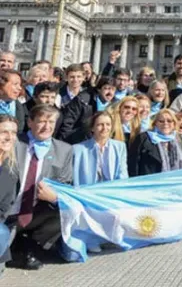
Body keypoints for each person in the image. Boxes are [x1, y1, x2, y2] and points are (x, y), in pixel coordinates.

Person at [8, 105, 73, 269]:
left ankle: (30, 244)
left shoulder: (64, 150)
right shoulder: (13, 143)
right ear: (30, 122)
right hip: (8, 210)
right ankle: (13, 247)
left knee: (64, 211)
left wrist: (54, 196)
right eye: (42, 121)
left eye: (51, 121)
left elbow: (66, 185)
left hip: (36, 210)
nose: (47, 126)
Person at [72, 111, 129, 187]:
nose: (105, 128)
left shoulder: (120, 147)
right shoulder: (78, 149)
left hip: (112, 192)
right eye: (100, 125)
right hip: (87, 192)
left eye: (108, 124)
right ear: (92, 128)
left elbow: (123, 174)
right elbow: (75, 177)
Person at [57, 76, 116, 144]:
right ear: (99, 89)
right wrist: (63, 145)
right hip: (79, 141)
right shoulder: (83, 100)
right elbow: (67, 124)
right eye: (106, 88)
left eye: (113, 89)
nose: (110, 92)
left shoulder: (114, 106)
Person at [128, 109, 182, 177]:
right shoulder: (144, 138)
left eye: (169, 121)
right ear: (155, 123)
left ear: (174, 124)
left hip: (175, 183)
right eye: (161, 121)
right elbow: (133, 164)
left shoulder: (180, 140)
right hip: (150, 184)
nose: (165, 123)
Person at [0, 115, 19, 272]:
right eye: (3, 132)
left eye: (13, 133)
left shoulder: (11, 169)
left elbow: (4, 208)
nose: (9, 137)